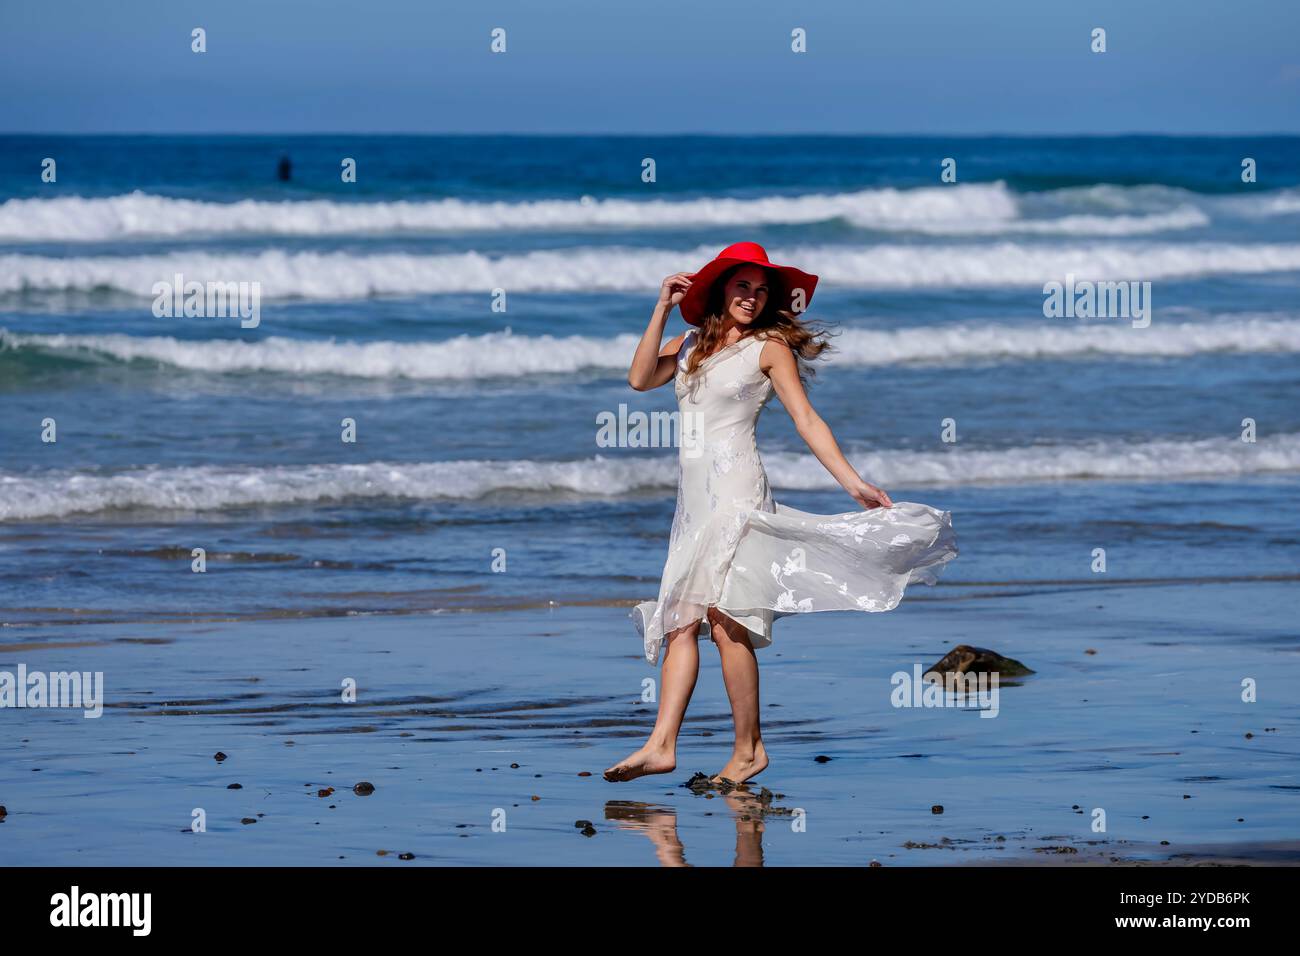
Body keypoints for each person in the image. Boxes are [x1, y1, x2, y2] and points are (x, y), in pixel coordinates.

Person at [604, 242, 957, 786]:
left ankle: (748, 751)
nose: (752, 296)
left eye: (761, 289)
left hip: (737, 493)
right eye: (743, 286)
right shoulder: (693, 343)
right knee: (680, 622)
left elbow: (807, 420)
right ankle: (661, 745)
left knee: (728, 625)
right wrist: (661, 309)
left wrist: (853, 483)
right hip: (693, 503)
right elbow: (639, 379)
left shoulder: (769, 348)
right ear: (723, 289)